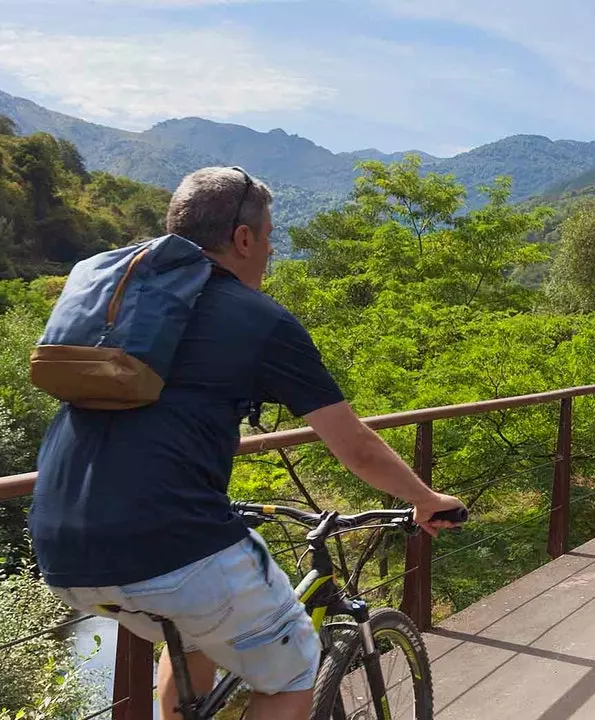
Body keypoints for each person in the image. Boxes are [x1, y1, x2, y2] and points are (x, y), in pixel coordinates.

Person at [28, 167, 465, 720]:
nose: (270, 252)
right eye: (269, 239)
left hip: (58, 541)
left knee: (191, 639)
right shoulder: (258, 318)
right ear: (242, 238)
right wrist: (425, 498)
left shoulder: (126, 306)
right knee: (295, 670)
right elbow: (352, 444)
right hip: (172, 540)